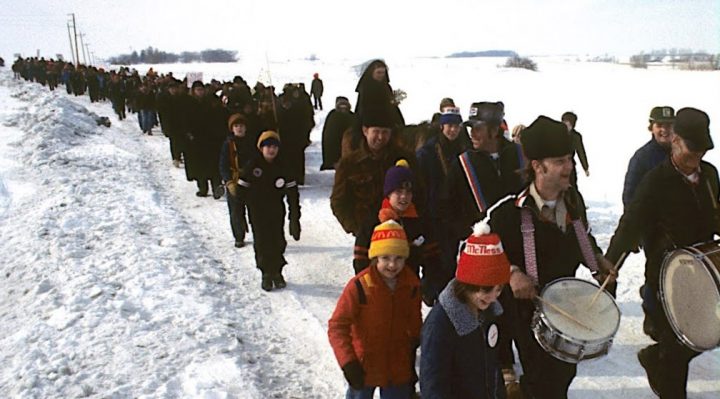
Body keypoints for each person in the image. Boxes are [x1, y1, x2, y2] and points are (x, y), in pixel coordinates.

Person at [488, 115, 614, 399]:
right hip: (524, 314)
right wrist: (512, 272)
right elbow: (484, 251)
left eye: (569, 159)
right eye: (559, 161)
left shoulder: (573, 201)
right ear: (537, 166)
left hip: (565, 308)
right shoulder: (508, 212)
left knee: (562, 377)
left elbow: (581, 237)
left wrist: (595, 260)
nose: (569, 167)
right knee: (541, 381)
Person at [605, 108, 718, 398]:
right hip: (667, 275)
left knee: (702, 337)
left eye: (702, 152)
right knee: (674, 352)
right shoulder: (655, 180)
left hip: (702, 273)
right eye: (692, 151)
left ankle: (656, 357)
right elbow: (630, 223)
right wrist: (609, 264)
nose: (697, 159)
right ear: (676, 141)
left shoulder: (708, 175)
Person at [328, 218, 422, 399]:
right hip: (364, 365)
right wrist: (348, 362)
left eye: (399, 258)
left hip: (398, 367)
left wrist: (414, 343)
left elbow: (414, 319)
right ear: (375, 257)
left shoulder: (411, 285)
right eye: (385, 258)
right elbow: (337, 326)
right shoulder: (360, 286)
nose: (392, 265)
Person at [420, 221, 511, 398]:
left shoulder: (489, 311)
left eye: (499, 289)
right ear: (467, 284)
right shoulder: (440, 325)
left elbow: (492, 366)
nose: (493, 297)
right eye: (486, 289)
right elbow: (433, 385)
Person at [353, 160, 441, 304]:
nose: (403, 197)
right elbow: (361, 255)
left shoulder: (419, 220)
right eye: (398, 192)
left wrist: (428, 285)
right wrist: (367, 285)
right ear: (388, 193)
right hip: (378, 287)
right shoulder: (373, 219)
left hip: (409, 288)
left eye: (408, 192)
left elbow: (432, 257)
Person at [331, 107, 416, 236]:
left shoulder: (405, 158)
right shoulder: (349, 164)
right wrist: (355, 228)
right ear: (365, 131)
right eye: (376, 131)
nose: (381, 137)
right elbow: (339, 201)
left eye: (385, 132)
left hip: (401, 233)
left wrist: (413, 224)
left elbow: (420, 192)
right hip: (366, 234)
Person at [415, 107, 469, 302]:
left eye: (456, 126)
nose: (453, 130)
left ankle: (444, 299)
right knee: (434, 258)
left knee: (449, 259)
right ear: (442, 126)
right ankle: (431, 294)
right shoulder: (427, 152)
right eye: (450, 125)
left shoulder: (463, 151)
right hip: (432, 215)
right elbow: (420, 186)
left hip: (453, 216)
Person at [238, 131, 301, 291]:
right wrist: (240, 217)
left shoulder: (284, 165)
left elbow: (292, 193)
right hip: (257, 210)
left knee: (277, 240)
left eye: (274, 147)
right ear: (261, 148)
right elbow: (241, 192)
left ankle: (277, 272)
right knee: (262, 241)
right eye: (267, 146)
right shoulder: (252, 165)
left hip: (276, 209)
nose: (271, 150)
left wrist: (295, 217)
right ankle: (266, 272)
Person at [622, 106, 675, 208]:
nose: (664, 130)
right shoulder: (641, 158)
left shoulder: (682, 154)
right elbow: (630, 197)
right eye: (659, 125)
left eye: (668, 125)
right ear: (651, 128)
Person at [219, 113, 254, 248]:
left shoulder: (252, 142)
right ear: (232, 129)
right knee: (235, 210)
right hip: (235, 180)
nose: (239, 128)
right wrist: (228, 181)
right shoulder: (228, 144)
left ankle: (257, 232)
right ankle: (239, 236)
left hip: (251, 181)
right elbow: (223, 165)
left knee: (255, 209)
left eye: (242, 126)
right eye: (236, 126)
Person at [321, 97, 355, 170]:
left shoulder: (352, 116)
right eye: (341, 106)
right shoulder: (333, 116)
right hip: (334, 149)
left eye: (345, 106)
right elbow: (328, 136)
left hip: (348, 150)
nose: (343, 108)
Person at [560, 112, 589, 189]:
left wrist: (585, 168)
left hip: (569, 165)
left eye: (569, 124)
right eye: (565, 123)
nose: (567, 126)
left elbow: (581, 152)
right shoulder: (556, 133)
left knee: (572, 187)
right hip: (556, 164)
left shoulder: (576, 136)